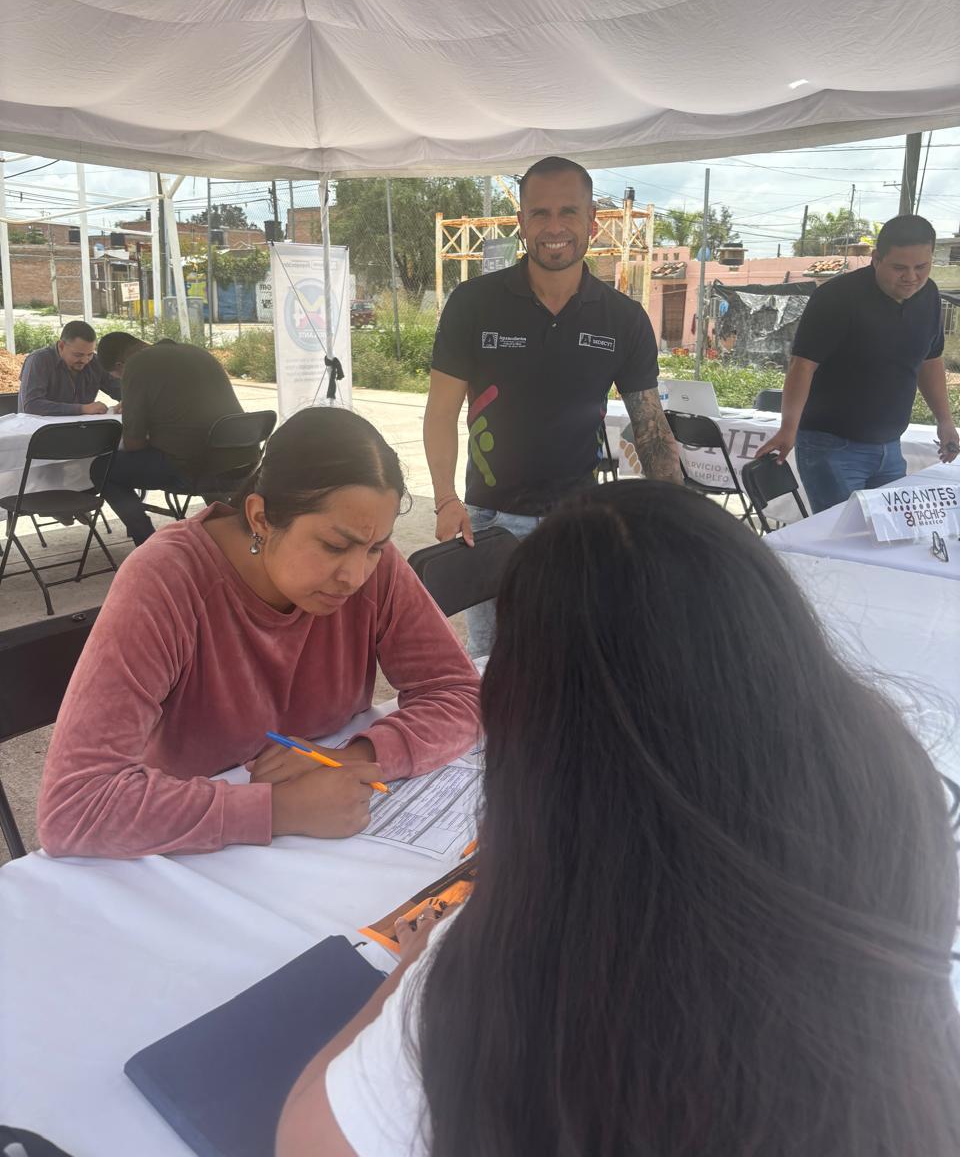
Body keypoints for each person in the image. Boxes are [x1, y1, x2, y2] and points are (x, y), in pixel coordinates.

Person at [277, 480, 960, 1157]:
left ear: (530, 720)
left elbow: (306, 1139)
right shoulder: (897, 809)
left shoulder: (529, 957)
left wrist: (410, 973)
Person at [37, 408, 480, 859]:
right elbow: (75, 806)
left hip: (326, 853)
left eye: (376, 548)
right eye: (333, 546)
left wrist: (356, 758)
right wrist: (282, 809)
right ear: (262, 518)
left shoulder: (374, 567)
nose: (355, 575)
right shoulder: (167, 580)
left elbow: (461, 695)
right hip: (193, 861)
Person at [423, 155, 681, 655]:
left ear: (593, 222)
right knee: (494, 661)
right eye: (539, 214)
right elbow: (440, 412)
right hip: (489, 522)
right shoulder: (473, 303)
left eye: (569, 212)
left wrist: (673, 517)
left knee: (572, 655)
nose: (554, 227)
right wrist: (444, 499)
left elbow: (650, 428)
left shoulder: (623, 319)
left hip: (576, 521)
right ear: (521, 223)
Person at [758, 214, 959, 512]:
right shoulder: (836, 297)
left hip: (890, 447)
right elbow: (803, 365)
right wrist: (789, 428)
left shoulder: (928, 295)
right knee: (844, 539)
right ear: (876, 259)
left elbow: (930, 360)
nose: (911, 277)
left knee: (890, 535)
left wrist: (945, 421)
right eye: (899, 267)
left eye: (922, 267)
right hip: (832, 447)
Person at [92, 331, 254, 544]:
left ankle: (146, 542)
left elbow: (133, 443)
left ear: (121, 365)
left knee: (102, 468)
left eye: (118, 377)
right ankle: (229, 527)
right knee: (203, 449)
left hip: (195, 469)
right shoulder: (195, 351)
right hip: (242, 462)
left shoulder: (137, 365)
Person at [17, 319, 121, 416]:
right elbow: (31, 406)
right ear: (61, 346)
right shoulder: (38, 360)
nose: (85, 360)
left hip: (82, 429)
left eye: (90, 354)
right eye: (78, 355)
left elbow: (120, 390)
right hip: (40, 431)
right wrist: (82, 409)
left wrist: (127, 402)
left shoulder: (95, 362)